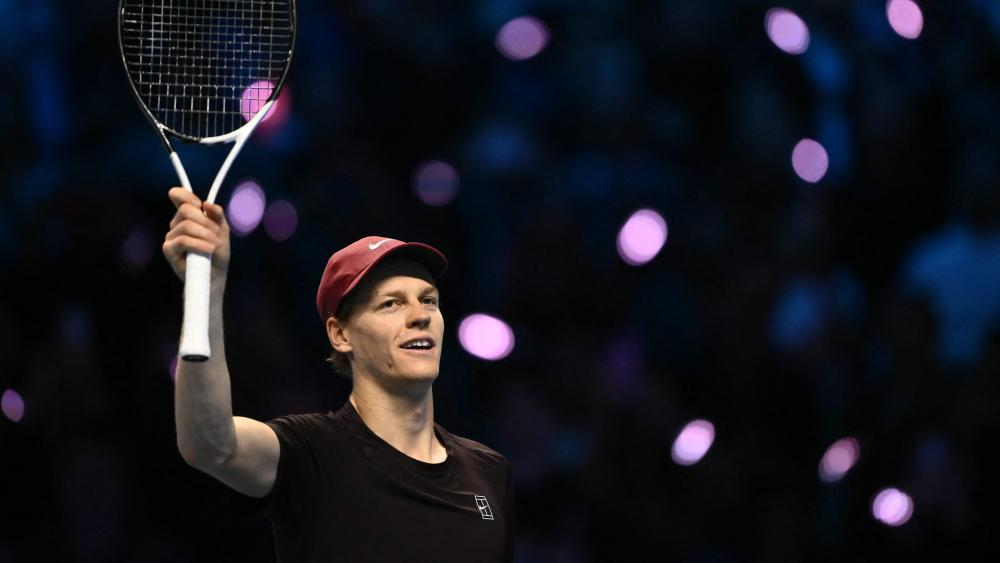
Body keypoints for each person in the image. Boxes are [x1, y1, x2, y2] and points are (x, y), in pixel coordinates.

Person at [162, 188, 514, 562]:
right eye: (391, 303)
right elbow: (209, 443)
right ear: (341, 334)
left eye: (428, 300)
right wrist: (208, 286)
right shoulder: (309, 453)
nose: (420, 315)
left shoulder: (490, 470)